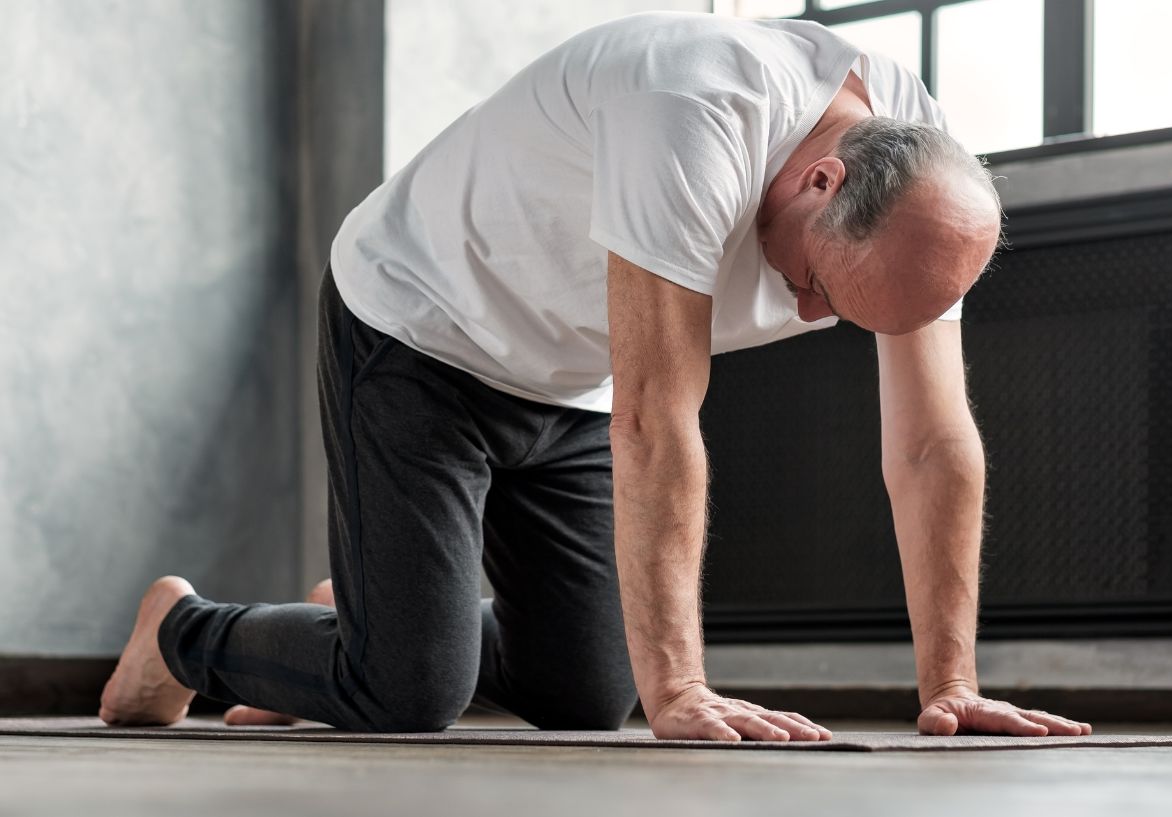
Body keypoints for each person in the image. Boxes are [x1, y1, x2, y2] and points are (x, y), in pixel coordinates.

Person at [99, 11, 1091, 741]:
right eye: (816, 287)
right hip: (423, 331)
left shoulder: (923, 187)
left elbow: (929, 441)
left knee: (578, 692)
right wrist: (683, 693)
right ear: (817, 179)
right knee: (407, 698)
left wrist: (950, 685)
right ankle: (184, 630)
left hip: (568, 380)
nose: (805, 315)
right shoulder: (696, 111)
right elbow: (659, 420)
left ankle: (364, 625)